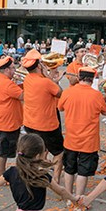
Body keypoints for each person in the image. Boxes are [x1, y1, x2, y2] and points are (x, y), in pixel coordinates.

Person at [58, 66, 106, 198]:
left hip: (71, 139)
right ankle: (79, 198)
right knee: (83, 171)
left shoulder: (68, 92)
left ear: (79, 77)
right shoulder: (96, 95)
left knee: (69, 169)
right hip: (89, 140)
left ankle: (68, 196)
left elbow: (60, 107)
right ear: (92, 80)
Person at [20, 49, 64, 181]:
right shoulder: (45, 82)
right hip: (47, 125)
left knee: (37, 151)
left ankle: (35, 174)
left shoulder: (27, 78)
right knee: (59, 153)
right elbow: (60, 93)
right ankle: (55, 180)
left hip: (29, 123)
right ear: (39, 65)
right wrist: (51, 78)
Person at [0, 56, 24, 177]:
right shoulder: (7, 83)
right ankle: (0, 177)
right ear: (7, 70)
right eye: (13, 68)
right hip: (7, 123)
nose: (15, 71)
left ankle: (1, 176)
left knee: (2, 150)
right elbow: (23, 96)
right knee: (2, 152)